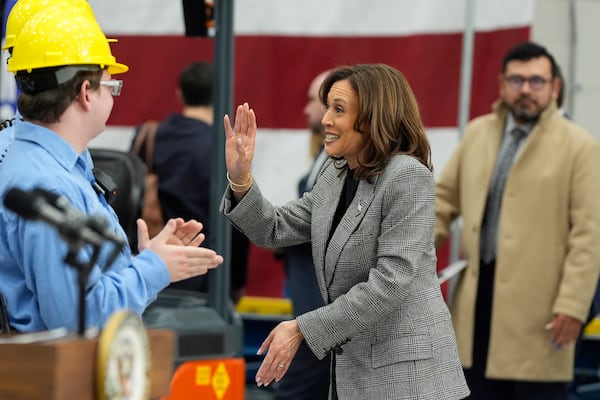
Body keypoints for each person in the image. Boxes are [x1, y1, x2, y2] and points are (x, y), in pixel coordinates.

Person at [221, 64, 470, 399]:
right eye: (327, 108)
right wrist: (240, 177)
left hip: (410, 380)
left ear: (371, 117)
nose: (325, 120)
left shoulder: (407, 176)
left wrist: (302, 328)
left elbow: (391, 281)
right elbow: (274, 228)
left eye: (338, 110)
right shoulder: (336, 175)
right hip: (356, 375)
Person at [0, 4, 223, 333]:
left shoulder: (47, 160)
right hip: (61, 378)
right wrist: (154, 268)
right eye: (111, 86)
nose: (114, 94)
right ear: (86, 94)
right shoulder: (48, 184)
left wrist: (146, 263)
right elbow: (81, 322)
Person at [434, 41, 600, 400]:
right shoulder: (477, 134)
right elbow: (442, 202)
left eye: (536, 81)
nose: (526, 89)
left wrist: (573, 305)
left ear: (554, 87)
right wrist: (406, 249)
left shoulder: (580, 146)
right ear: (502, 84)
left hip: (542, 309)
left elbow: (590, 235)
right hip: (476, 301)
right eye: (517, 80)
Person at [130, 61, 248, 303]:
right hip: (207, 275)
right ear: (221, 94)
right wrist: (236, 282)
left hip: (153, 267)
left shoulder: (148, 136)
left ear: (180, 94)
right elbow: (239, 218)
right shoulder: (224, 149)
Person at [276, 70, 331, 400]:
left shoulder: (339, 164)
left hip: (319, 310)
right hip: (310, 306)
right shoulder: (322, 157)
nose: (306, 109)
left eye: (313, 100)